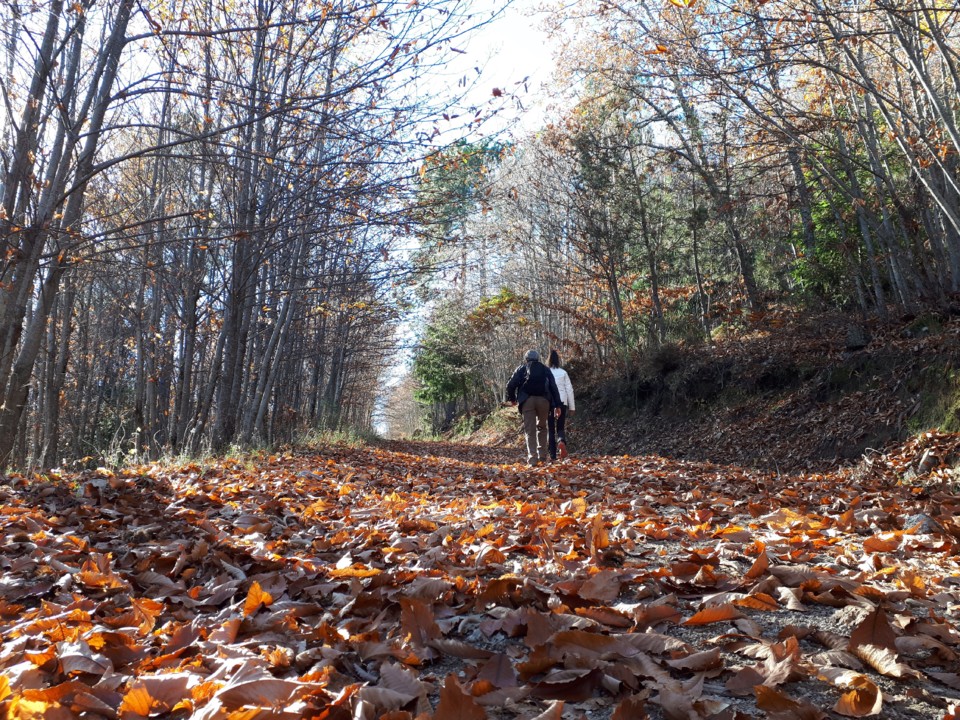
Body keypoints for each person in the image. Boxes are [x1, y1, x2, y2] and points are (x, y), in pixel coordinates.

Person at [505, 349, 561, 466]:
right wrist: (557, 405)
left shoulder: (522, 368)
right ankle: (542, 457)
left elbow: (510, 384)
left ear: (526, 359)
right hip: (544, 401)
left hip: (527, 401)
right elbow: (553, 387)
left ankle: (532, 460)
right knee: (542, 427)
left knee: (530, 431)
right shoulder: (545, 369)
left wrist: (513, 399)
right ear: (538, 358)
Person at [547, 349, 575, 460]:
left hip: (549, 403)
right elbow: (569, 390)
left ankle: (552, 455)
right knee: (560, 426)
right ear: (558, 360)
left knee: (550, 428)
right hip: (562, 402)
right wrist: (572, 407)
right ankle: (561, 441)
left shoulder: (546, 372)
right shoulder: (563, 373)